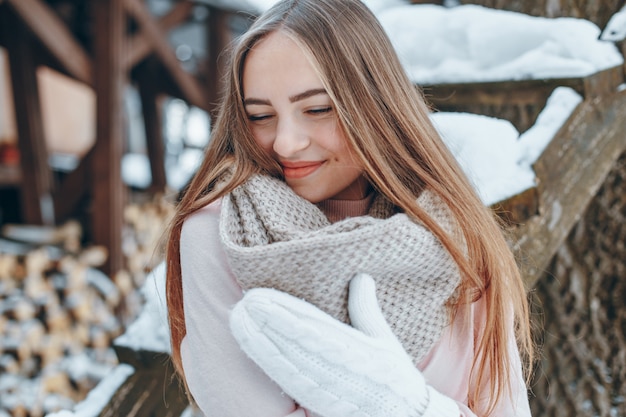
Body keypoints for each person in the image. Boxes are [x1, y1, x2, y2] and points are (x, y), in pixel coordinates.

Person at [164, 0, 534, 416]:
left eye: (317, 109)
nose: (285, 142)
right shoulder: (222, 235)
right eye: (260, 116)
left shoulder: (453, 231)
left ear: (375, 103)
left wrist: (413, 408)